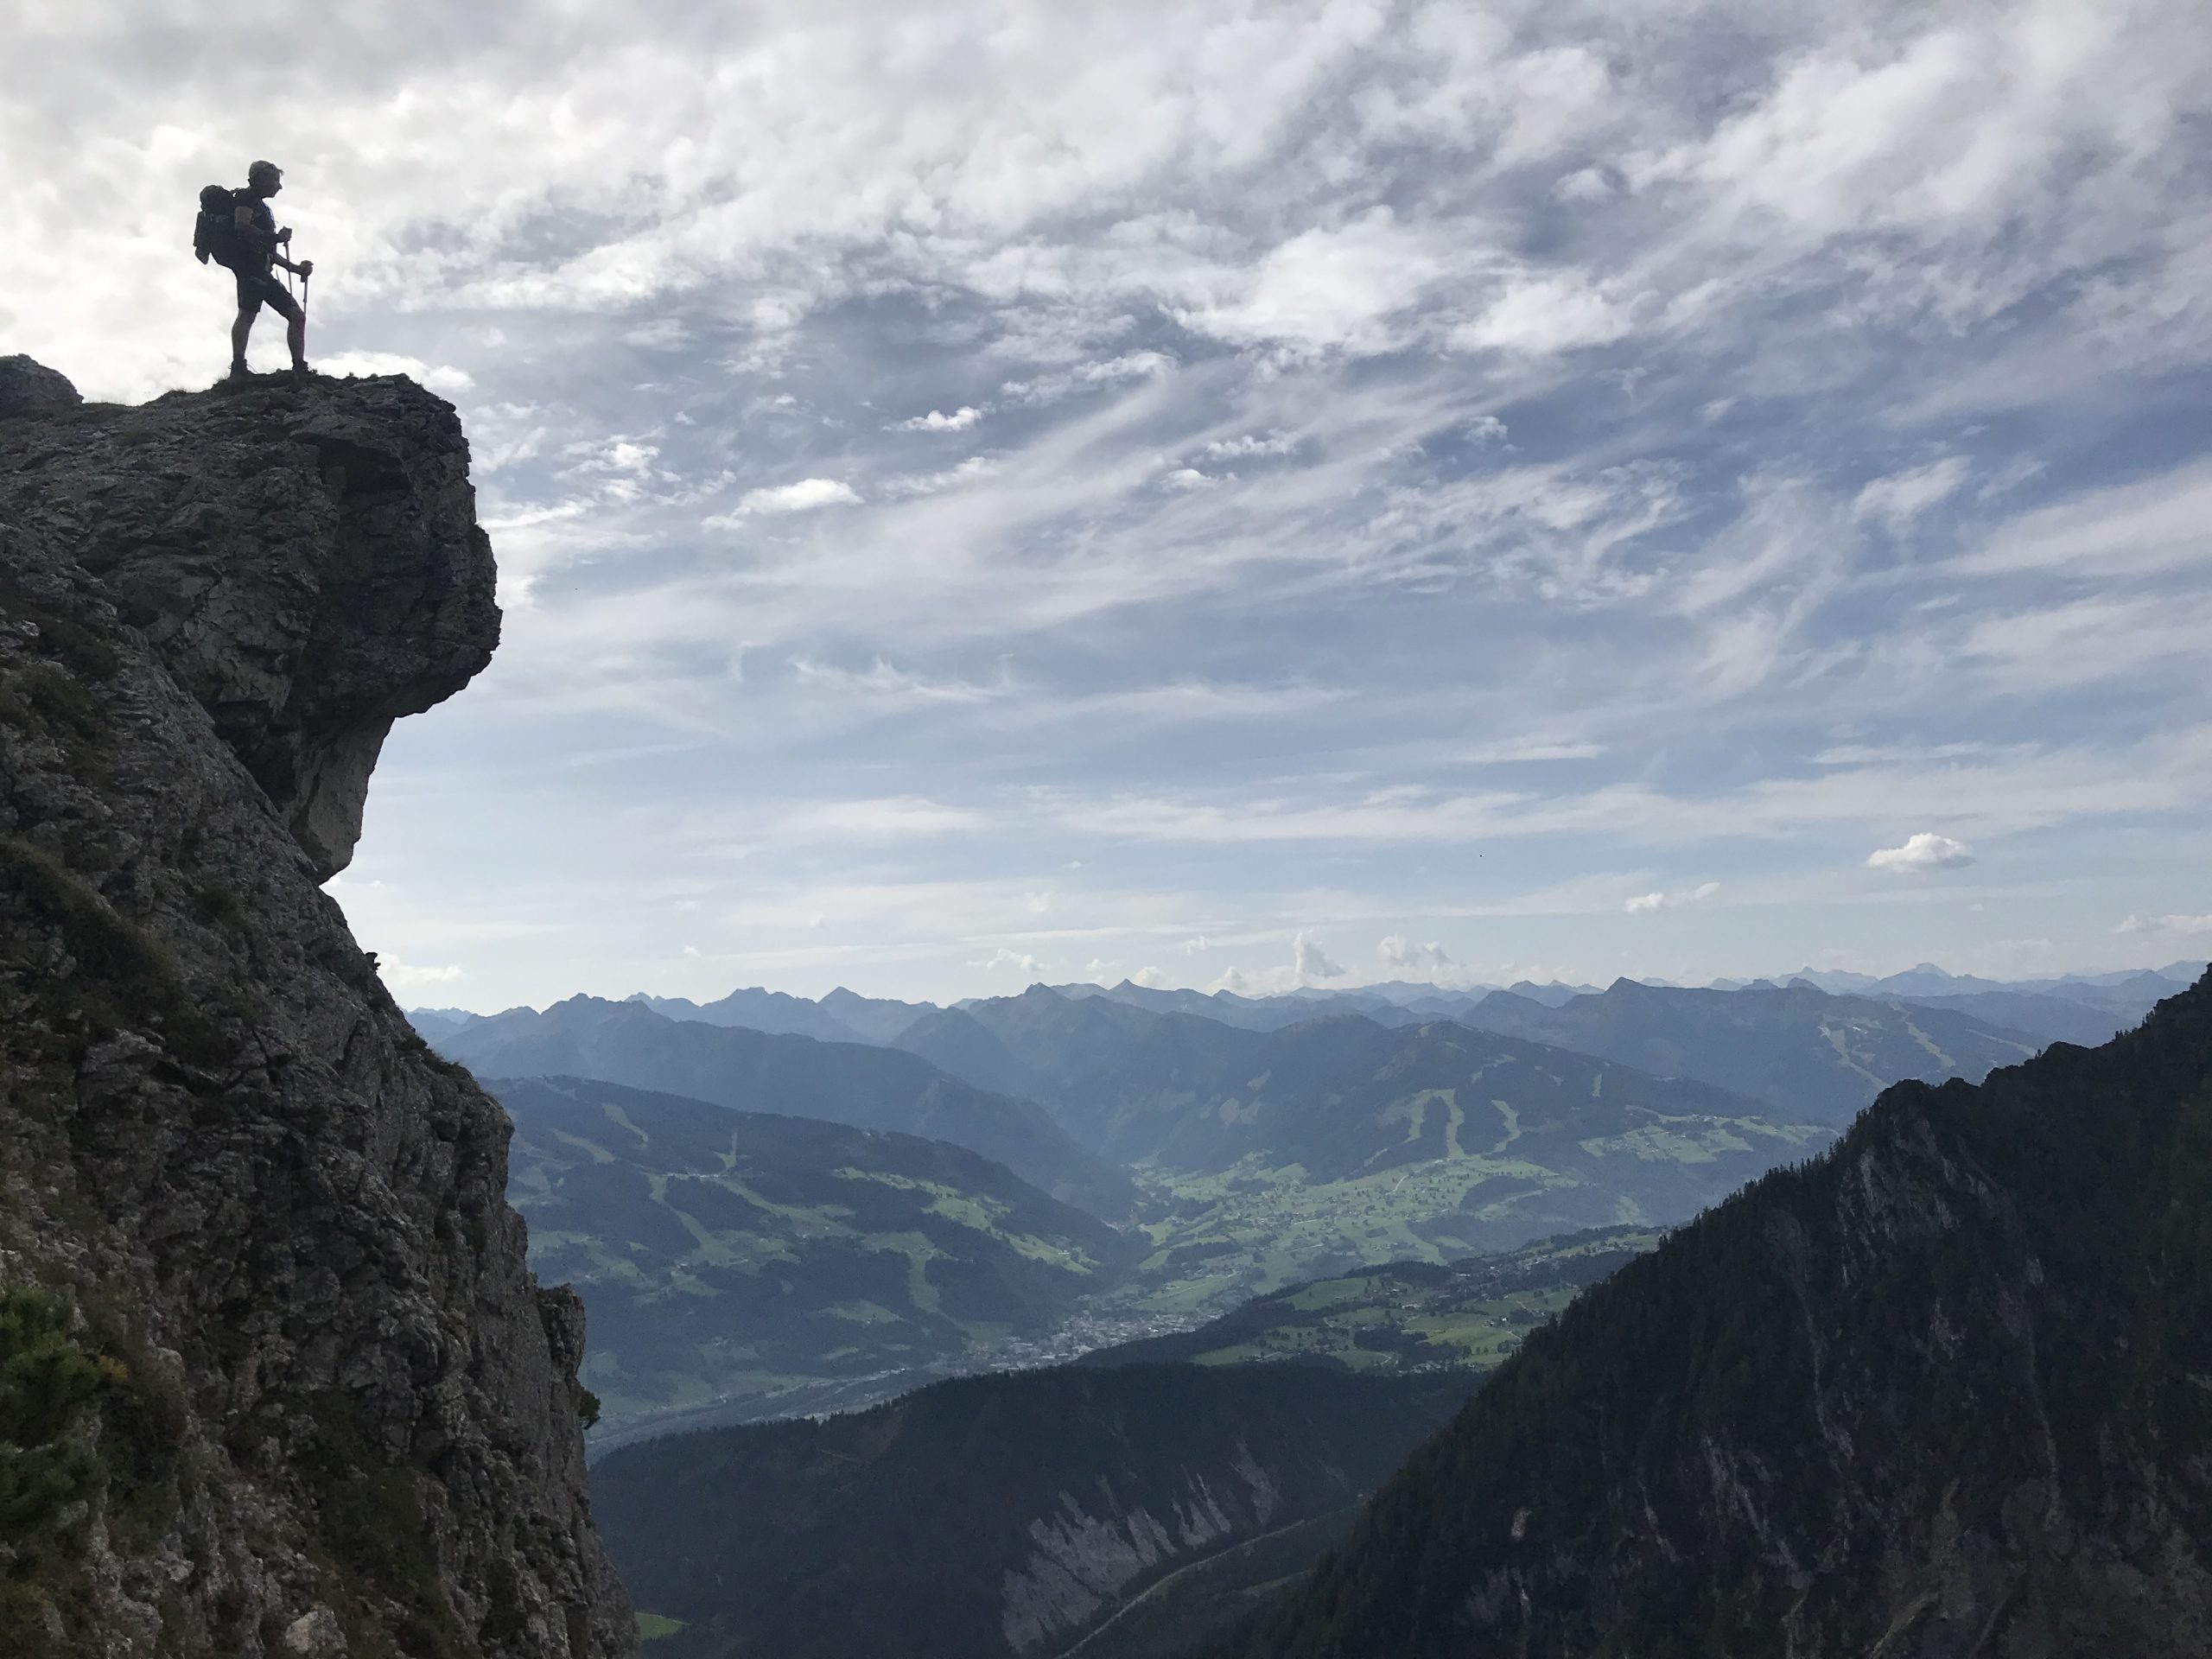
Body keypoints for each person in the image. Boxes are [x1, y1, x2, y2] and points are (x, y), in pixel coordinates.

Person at [229, 161, 314, 376]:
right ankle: (238, 367)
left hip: (260, 270)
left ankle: (298, 366)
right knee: (248, 315)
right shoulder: (246, 198)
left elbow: (269, 251)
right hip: (250, 268)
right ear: (261, 178)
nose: (279, 186)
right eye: (275, 180)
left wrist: (296, 269)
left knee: (295, 316)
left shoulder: (260, 206)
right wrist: (276, 236)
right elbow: (241, 224)